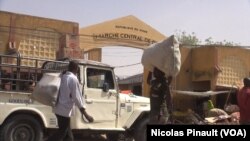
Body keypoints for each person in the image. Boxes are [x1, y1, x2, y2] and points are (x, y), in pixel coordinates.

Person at [47, 60, 94, 141]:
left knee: (69, 137)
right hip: (64, 110)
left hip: (58, 109)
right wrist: (86, 115)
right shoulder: (73, 79)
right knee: (62, 133)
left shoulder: (63, 76)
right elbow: (77, 97)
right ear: (76, 69)